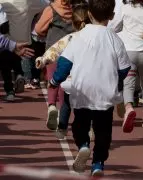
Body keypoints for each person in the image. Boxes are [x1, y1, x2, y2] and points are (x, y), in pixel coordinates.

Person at [49, 0, 131, 176]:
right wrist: (115, 81)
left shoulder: (78, 37)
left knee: (80, 125)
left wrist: (55, 81)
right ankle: (98, 163)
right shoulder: (115, 38)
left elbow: (64, 63)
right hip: (105, 93)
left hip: (82, 92)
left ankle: (83, 145)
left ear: (89, 15)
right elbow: (124, 68)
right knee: (103, 132)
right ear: (112, 16)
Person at [36, 2, 91, 140]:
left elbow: (40, 30)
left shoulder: (52, 10)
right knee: (83, 106)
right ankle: (87, 132)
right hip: (84, 77)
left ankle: (54, 112)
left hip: (57, 54)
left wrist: (42, 60)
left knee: (58, 89)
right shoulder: (91, 36)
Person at [113, 0, 143, 132]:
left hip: (128, 51)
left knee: (128, 83)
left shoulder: (125, 7)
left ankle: (128, 107)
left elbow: (115, 25)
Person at [35, 0, 74, 130]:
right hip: (70, 51)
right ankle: (63, 114)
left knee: (52, 80)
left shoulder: (51, 9)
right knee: (64, 83)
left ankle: (51, 106)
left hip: (53, 50)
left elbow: (38, 29)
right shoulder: (75, 9)